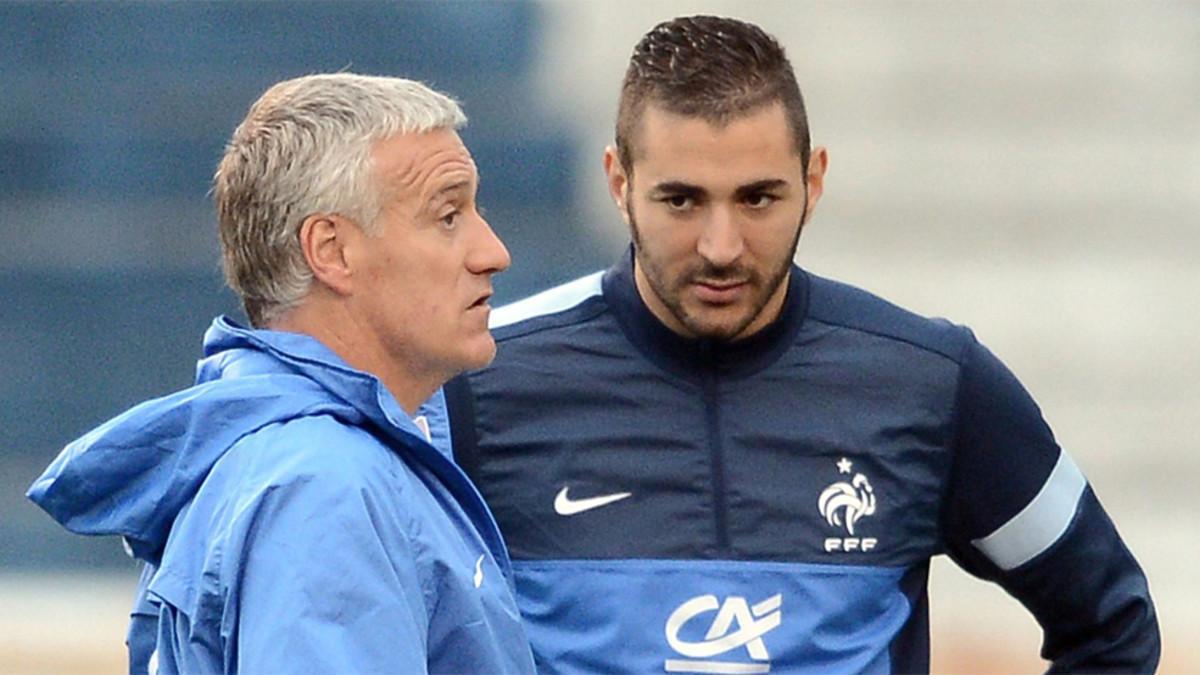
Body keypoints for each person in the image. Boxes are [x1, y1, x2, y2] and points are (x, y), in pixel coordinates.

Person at [445, 15, 1160, 673]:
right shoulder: (477, 380)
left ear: (813, 181)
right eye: (681, 199)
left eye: (758, 198)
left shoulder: (933, 384)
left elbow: (1111, 623)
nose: (721, 247)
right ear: (618, 182)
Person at [28, 73, 535, 674]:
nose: (493, 252)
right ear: (332, 251)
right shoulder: (323, 486)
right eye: (448, 215)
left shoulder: (283, 458)